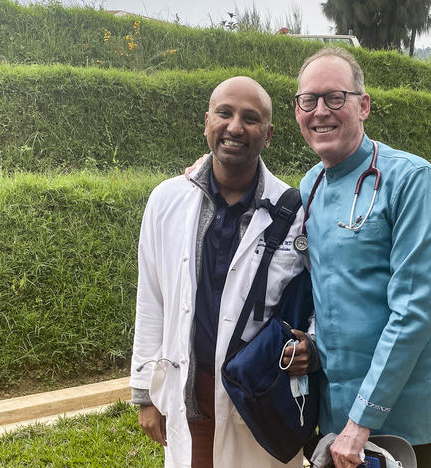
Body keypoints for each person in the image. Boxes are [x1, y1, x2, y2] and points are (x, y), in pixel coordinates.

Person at [130, 76, 314, 468]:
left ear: (268, 135)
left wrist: (311, 345)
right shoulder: (166, 200)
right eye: (224, 113)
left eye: (251, 118)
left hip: (260, 396)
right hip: (189, 395)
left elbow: (321, 298)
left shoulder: (294, 211)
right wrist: (145, 394)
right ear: (206, 121)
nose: (235, 127)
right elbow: (152, 299)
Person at [295, 48, 431, 468]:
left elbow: (414, 310)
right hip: (338, 418)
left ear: (363, 105)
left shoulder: (410, 179)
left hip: (409, 420)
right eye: (308, 100)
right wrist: (205, 170)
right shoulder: (310, 186)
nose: (320, 112)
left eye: (335, 98)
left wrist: (362, 420)